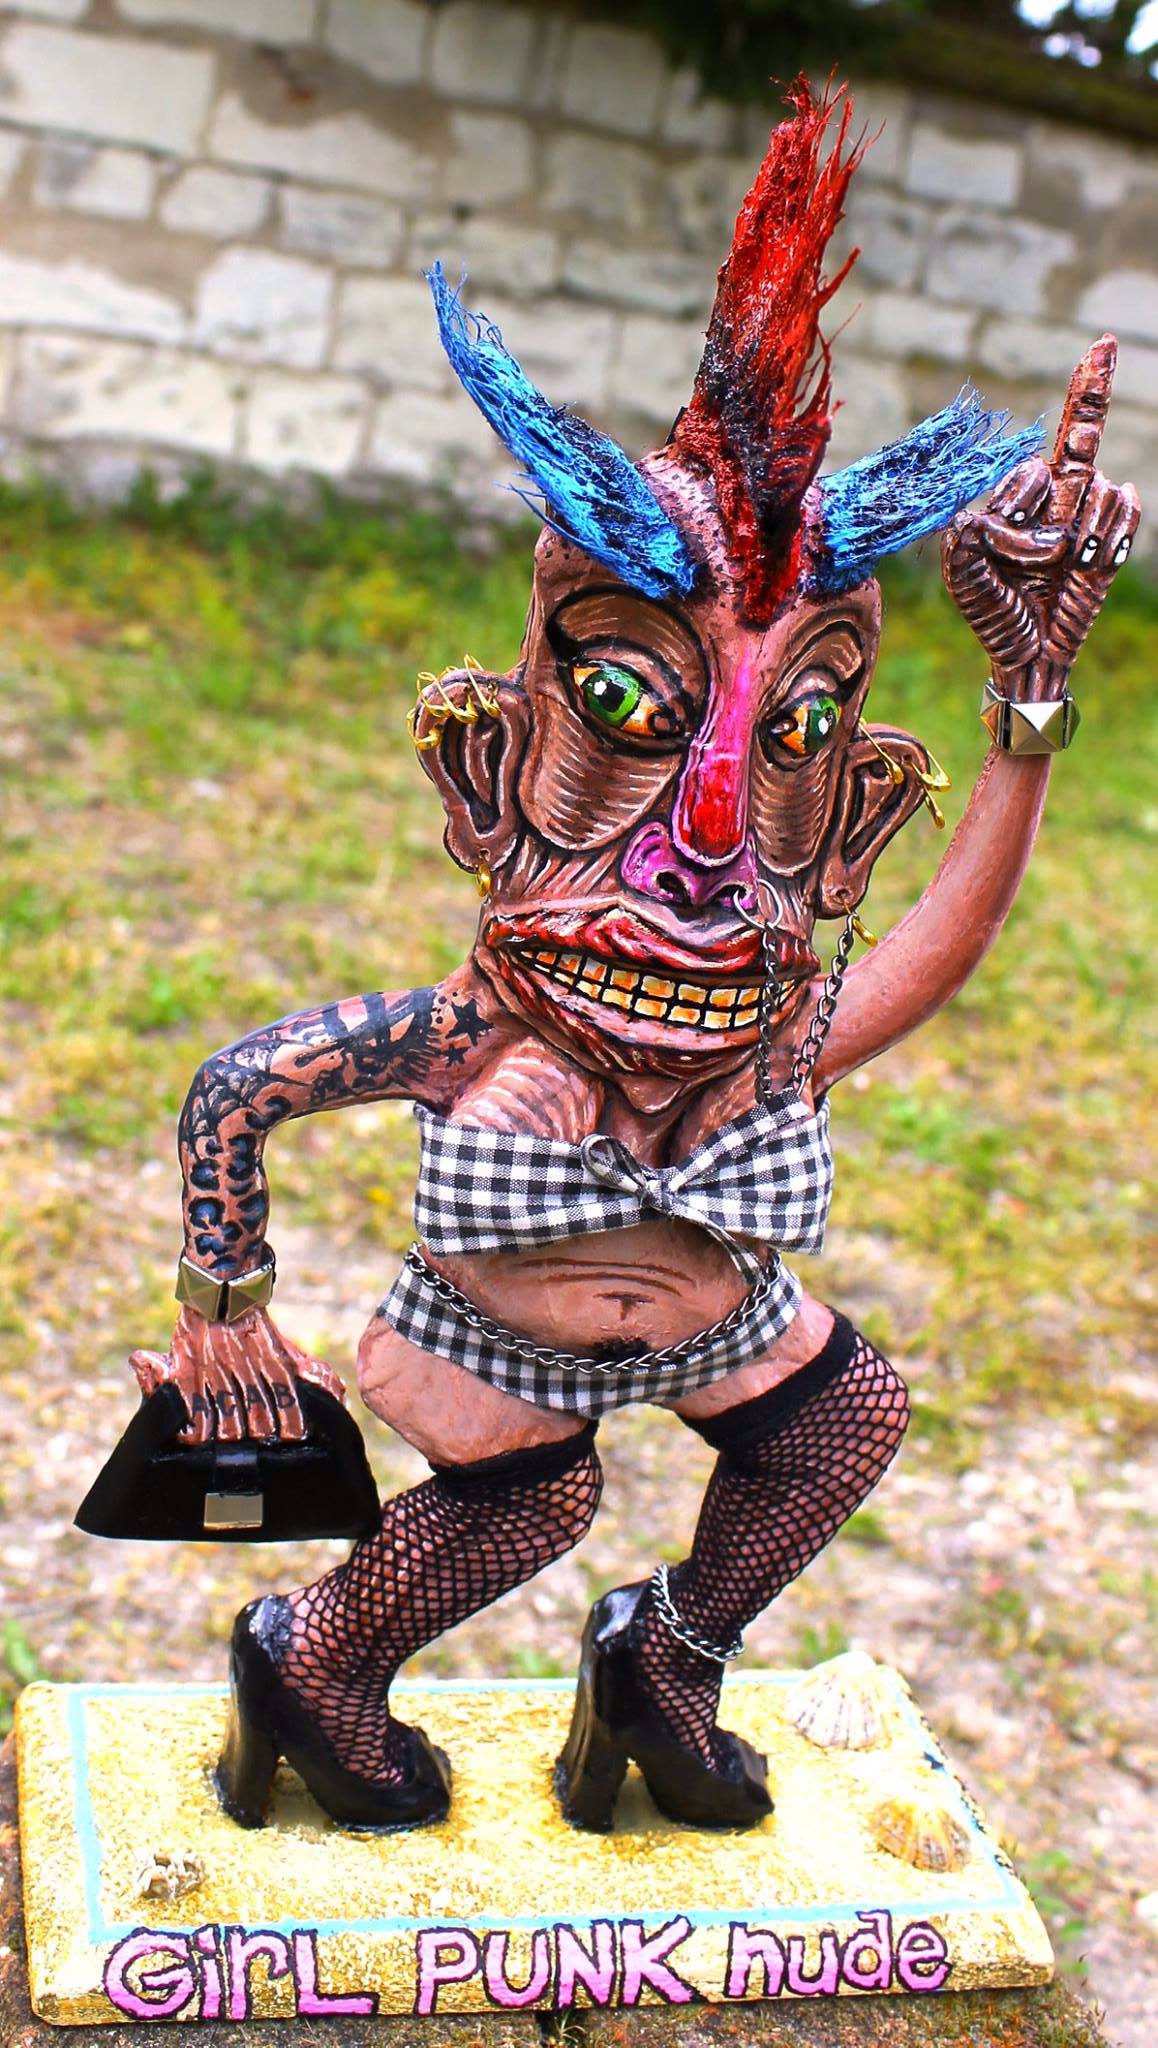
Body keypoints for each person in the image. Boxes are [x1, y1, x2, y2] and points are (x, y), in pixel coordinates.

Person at [128, 81, 1139, 1836]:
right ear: (482, 772)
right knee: (528, 1500)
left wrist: (1027, 702)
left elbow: (929, 955)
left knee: (839, 1421)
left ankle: (665, 1657)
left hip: (716, 1319)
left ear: (852, 812)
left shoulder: (769, 1032)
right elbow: (238, 1088)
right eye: (620, 707)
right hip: (493, 1349)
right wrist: (226, 1313)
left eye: (796, 727)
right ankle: (314, 1661)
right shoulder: (471, 1028)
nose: (705, 837)